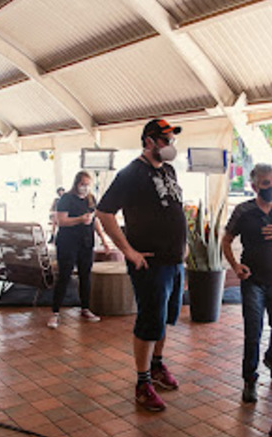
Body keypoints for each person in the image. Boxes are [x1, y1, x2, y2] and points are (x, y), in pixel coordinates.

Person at [96, 118, 185, 412]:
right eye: (165, 139)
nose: (170, 145)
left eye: (172, 139)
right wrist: (128, 251)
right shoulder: (131, 173)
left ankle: (157, 366)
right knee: (149, 322)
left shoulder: (169, 170)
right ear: (148, 141)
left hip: (173, 262)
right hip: (150, 263)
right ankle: (142, 382)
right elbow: (105, 212)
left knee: (164, 319)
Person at [221, 163, 272, 403]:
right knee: (252, 331)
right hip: (253, 279)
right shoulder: (244, 211)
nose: (271, 187)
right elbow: (226, 240)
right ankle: (250, 380)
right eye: (266, 183)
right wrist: (235, 266)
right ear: (255, 186)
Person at [48, 171, 109, 329]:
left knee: (85, 276)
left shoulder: (90, 199)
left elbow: (94, 220)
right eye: (83, 184)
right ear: (76, 184)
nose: (85, 188)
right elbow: (61, 221)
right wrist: (80, 219)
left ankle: (85, 308)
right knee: (64, 276)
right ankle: (55, 312)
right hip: (68, 243)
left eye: (88, 185)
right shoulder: (66, 199)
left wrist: (103, 239)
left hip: (86, 242)